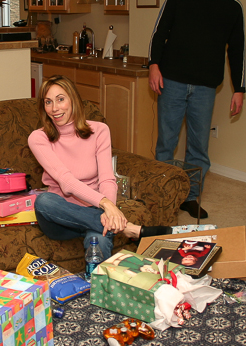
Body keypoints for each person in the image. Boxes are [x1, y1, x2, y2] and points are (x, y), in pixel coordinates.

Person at [148, 0, 246, 219]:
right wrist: (153, 65)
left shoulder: (232, 7)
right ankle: (162, 196)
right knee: (166, 143)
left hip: (205, 88)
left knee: (198, 148)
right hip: (172, 82)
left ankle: (190, 197)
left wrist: (240, 89)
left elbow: (237, 51)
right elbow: (159, 33)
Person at [28, 76, 172, 259]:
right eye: (48, 102)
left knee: (100, 239)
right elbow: (66, 182)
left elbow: (107, 178)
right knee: (43, 201)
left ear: (74, 100)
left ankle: (96, 285)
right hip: (60, 217)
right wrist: (107, 205)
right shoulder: (38, 138)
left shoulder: (100, 131)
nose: (54, 108)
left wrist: (108, 210)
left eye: (60, 99)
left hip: (96, 210)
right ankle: (129, 229)